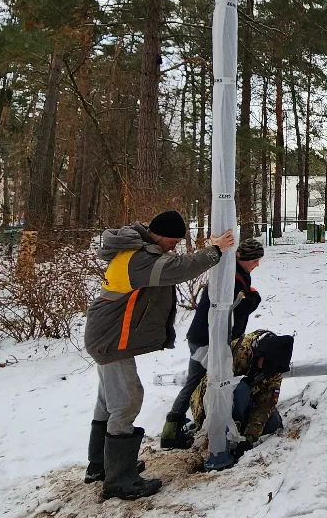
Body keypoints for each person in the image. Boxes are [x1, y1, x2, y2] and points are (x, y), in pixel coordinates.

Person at [83, 210, 234, 501]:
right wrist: (215, 250)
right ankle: (119, 480)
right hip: (111, 340)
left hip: (106, 336)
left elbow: (172, 263)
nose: (174, 247)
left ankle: (102, 465)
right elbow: (178, 268)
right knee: (126, 401)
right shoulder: (139, 259)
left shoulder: (138, 251)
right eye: (173, 241)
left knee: (109, 402)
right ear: (160, 235)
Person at [161, 237, 265, 450]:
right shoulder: (233, 277)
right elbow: (243, 305)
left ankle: (174, 427)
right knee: (211, 381)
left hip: (203, 337)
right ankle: (184, 428)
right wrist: (255, 297)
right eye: (256, 260)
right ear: (248, 259)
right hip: (208, 340)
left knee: (197, 381)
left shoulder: (230, 270)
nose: (257, 265)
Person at [191, 329, 294, 462]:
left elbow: (265, 405)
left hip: (246, 405)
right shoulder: (240, 351)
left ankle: (239, 434)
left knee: (273, 422)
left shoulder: (275, 367)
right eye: (267, 366)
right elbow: (214, 389)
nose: (268, 371)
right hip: (212, 403)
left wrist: (248, 440)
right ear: (261, 354)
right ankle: (227, 437)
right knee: (241, 388)